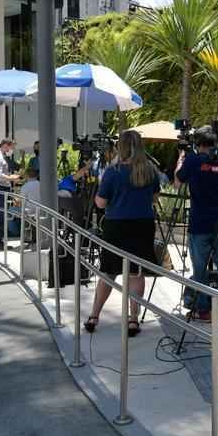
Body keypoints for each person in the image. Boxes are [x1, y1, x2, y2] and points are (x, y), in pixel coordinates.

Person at [84, 130, 160, 338]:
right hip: (142, 225)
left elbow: (100, 202)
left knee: (109, 270)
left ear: (121, 147)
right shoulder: (150, 171)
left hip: (116, 225)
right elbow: (154, 198)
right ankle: (133, 319)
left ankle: (94, 316)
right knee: (136, 272)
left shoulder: (112, 171)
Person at [174, 127, 218, 319]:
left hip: (199, 223)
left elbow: (178, 181)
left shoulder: (193, 160)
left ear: (198, 143)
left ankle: (203, 309)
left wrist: (180, 160)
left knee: (199, 268)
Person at [0, 139, 19, 250]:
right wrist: (12, 178)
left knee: (2, 215)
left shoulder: (1, 157)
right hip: (0, 189)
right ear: (6, 145)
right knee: (0, 216)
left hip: (3, 189)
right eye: (11, 147)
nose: (12, 150)